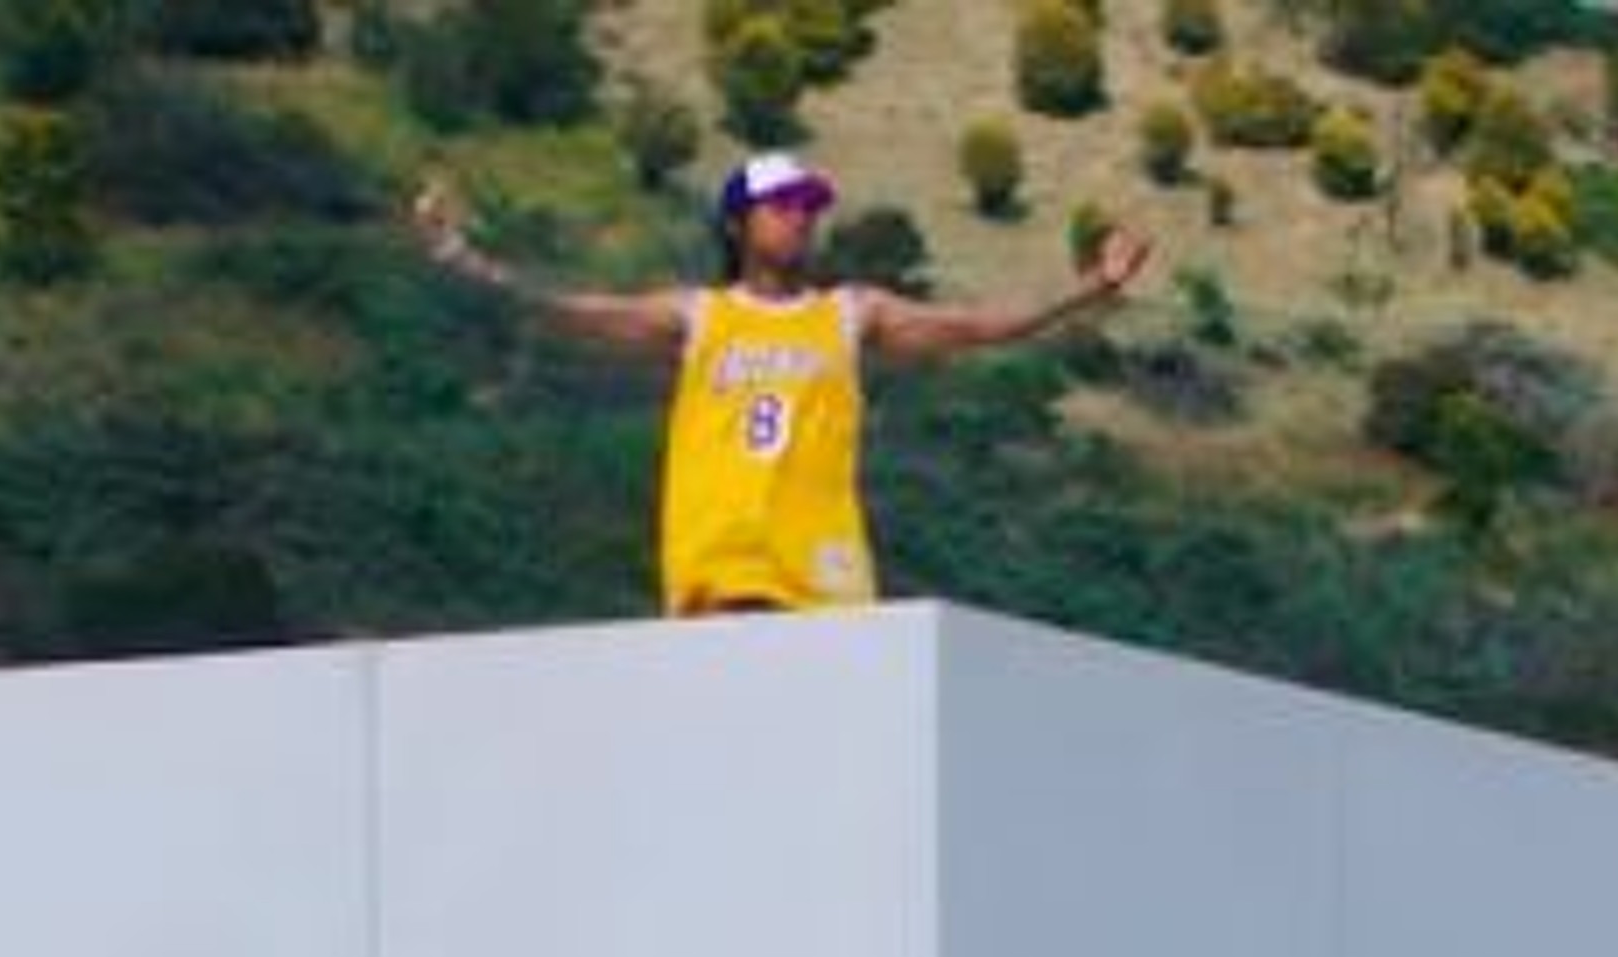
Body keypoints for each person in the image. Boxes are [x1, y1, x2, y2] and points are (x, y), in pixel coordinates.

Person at [412, 151, 1151, 616]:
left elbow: (979, 327)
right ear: (739, 223)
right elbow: (574, 311)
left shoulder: (848, 315)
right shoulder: (700, 316)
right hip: (722, 568)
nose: (802, 218)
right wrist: (462, 260)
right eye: (783, 205)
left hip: (821, 575)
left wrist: (1089, 288)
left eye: (809, 207)